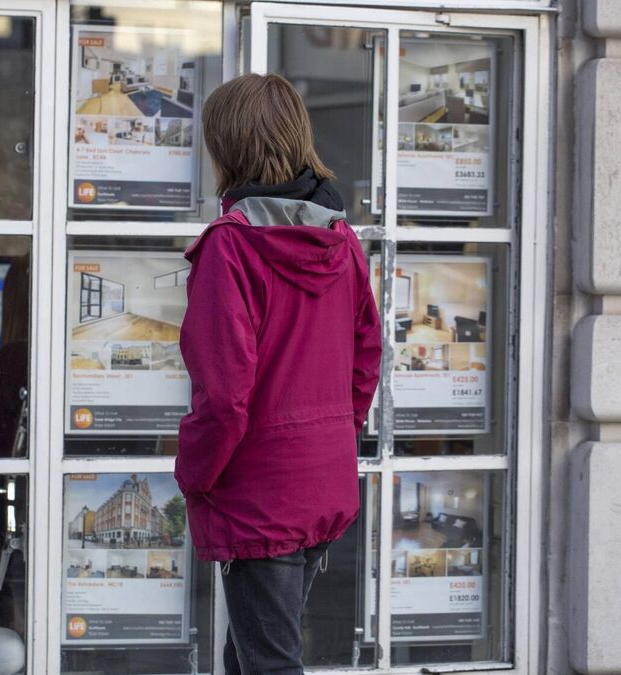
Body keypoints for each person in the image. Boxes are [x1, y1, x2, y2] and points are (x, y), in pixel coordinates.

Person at [174, 73, 382, 674]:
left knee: (268, 660)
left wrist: (194, 474)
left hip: (258, 492)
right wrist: (332, 439)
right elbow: (367, 358)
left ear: (226, 146)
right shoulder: (341, 239)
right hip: (322, 481)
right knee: (252, 652)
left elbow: (224, 394)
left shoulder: (229, 247)